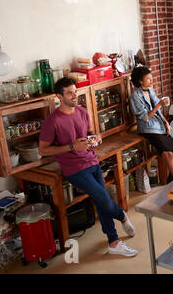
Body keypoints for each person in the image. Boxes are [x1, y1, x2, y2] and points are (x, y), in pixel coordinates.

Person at [39, 77, 138, 257]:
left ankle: (113, 242)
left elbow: (90, 134)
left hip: (92, 161)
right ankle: (122, 216)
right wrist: (71, 147)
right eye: (69, 93)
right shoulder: (52, 121)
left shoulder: (82, 112)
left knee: (101, 201)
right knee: (104, 198)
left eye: (75, 91)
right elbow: (43, 150)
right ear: (59, 97)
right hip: (74, 169)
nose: (74, 95)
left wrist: (96, 138)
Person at [129, 66, 173, 181]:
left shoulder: (150, 90)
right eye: (149, 79)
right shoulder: (135, 96)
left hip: (159, 126)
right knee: (168, 153)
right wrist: (159, 104)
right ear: (140, 81)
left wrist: (166, 123)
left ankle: (172, 179)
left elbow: (158, 111)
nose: (151, 81)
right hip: (148, 129)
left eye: (151, 78)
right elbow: (145, 117)